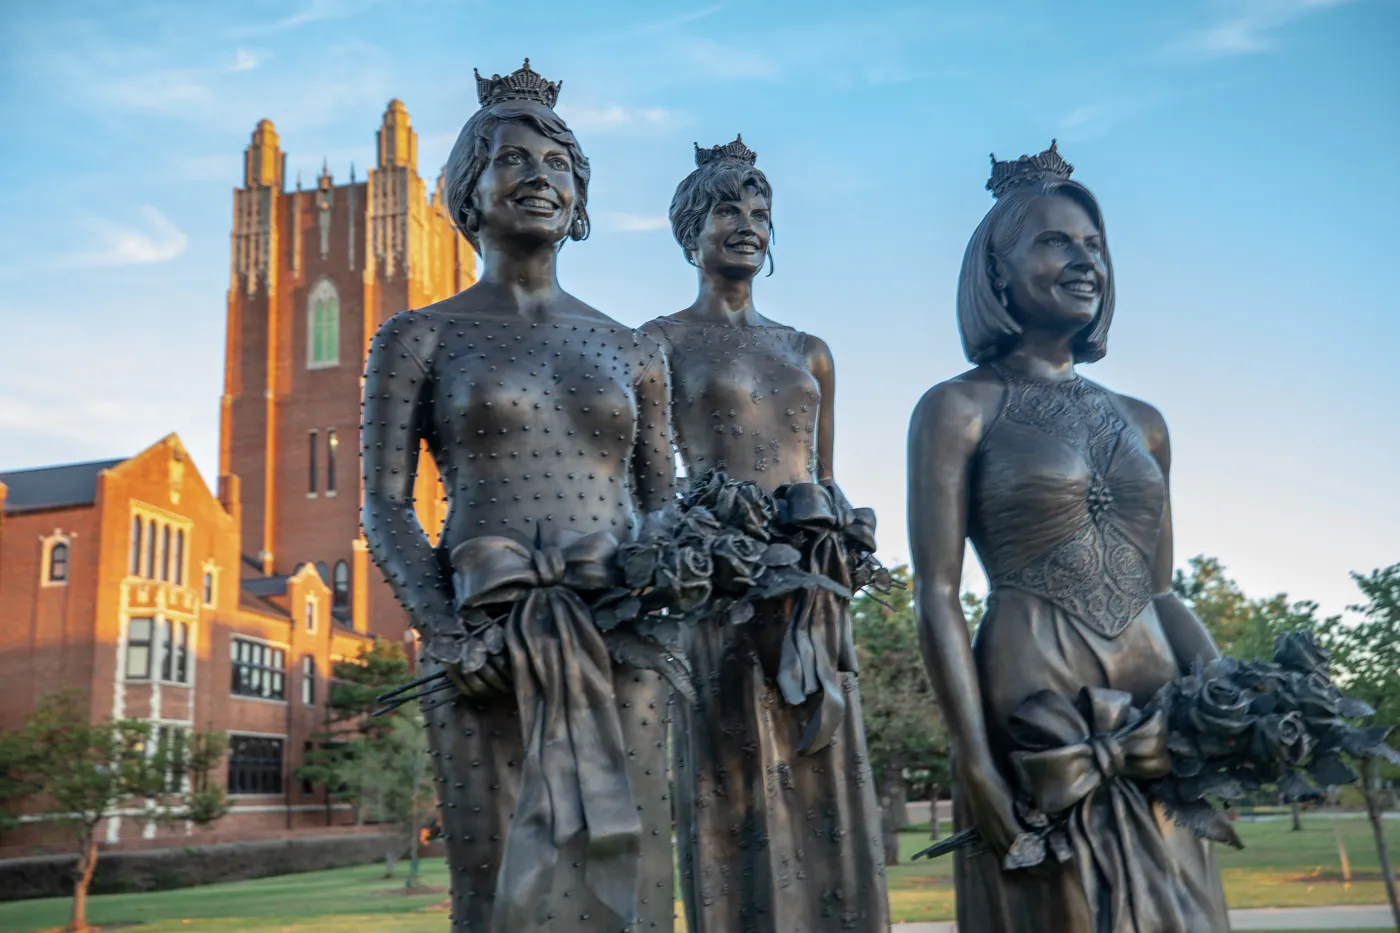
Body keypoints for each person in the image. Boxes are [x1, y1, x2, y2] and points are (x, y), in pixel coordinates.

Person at [360, 60, 676, 933]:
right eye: (514, 159)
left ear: (582, 196)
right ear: (469, 189)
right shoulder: (417, 335)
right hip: (485, 640)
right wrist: (449, 630)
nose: (541, 177)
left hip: (624, 640)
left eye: (561, 164)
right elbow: (385, 505)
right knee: (504, 886)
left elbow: (663, 498)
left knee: (634, 879)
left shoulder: (634, 346)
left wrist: (667, 582)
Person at [906, 141, 1229, 932]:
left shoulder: (1146, 422)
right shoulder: (958, 407)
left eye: (1094, 246)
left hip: (1159, 715)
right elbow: (937, 592)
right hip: (1035, 705)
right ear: (998, 269)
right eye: (1056, 241)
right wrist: (974, 760)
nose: (1085, 261)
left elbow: (1161, 588)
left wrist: (1226, 687)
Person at [642, 135, 890, 933]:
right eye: (727, 210)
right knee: (732, 782)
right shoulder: (657, 342)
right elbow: (646, 488)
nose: (747, 224)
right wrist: (697, 552)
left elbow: (821, 472)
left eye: (761, 212)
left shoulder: (809, 351)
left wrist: (836, 552)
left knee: (826, 781)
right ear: (691, 231)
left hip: (813, 594)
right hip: (720, 589)